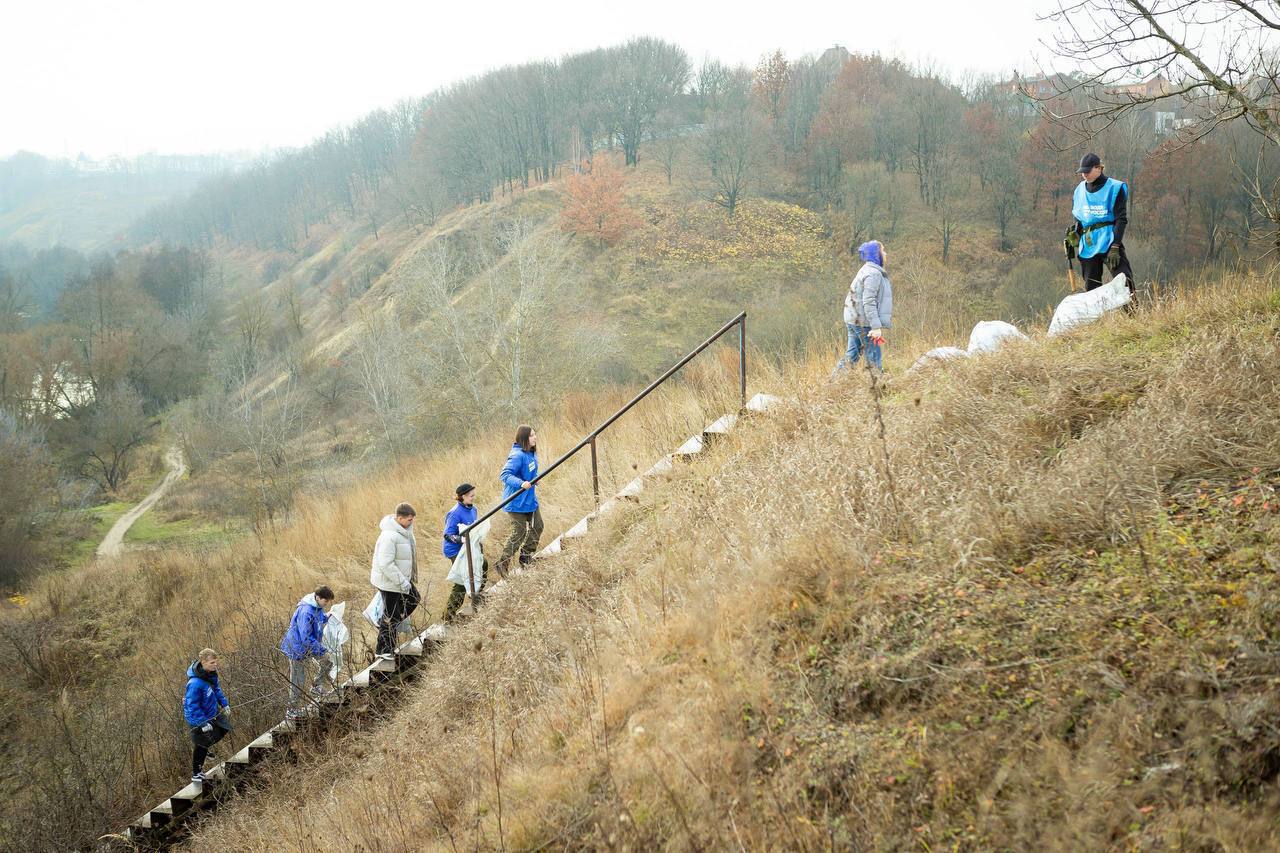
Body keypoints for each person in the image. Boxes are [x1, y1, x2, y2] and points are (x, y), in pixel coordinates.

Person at [1069, 152, 1134, 293]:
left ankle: (1133, 314)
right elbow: (1079, 217)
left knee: (1125, 282)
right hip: (1088, 244)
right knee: (1091, 289)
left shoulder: (1115, 188)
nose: (1085, 175)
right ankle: (1098, 316)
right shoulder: (1079, 190)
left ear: (1099, 168)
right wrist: (1074, 234)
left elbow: (1121, 219)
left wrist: (1116, 246)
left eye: (1088, 171)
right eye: (1082, 172)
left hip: (1109, 241)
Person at [370, 502, 419, 659]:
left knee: (413, 599)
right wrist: (403, 582)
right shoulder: (389, 536)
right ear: (399, 518)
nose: (411, 522)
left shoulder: (404, 533)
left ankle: (384, 622)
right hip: (389, 582)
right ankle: (383, 650)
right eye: (409, 519)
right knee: (392, 615)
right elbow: (386, 564)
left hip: (400, 580)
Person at [280, 585, 336, 720]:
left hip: (309, 645)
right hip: (297, 648)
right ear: (318, 597)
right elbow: (305, 637)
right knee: (298, 680)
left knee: (327, 661)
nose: (326, 604)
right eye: (326, 601)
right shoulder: (306, 611)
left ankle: (316, 686)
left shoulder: (317, 607)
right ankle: (291, 710)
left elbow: (319, 618)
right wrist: (321, 649)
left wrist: (328, 617)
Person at [839, 240, 893, 373]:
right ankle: (878, 388)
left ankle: (834, 383)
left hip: (853, 319)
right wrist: (875, 327)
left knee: (851, 356)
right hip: (863, 322)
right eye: (883, 250)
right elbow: (868, 301)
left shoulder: (866, 269)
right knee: (874, 357)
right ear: (877, 254)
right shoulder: (873, 273)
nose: (885, 253)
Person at [497, 426, 543, 576]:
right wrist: (521, 483)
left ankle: (526, 556)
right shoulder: (517, 455)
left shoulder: (531, 453)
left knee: (538, 526)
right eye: (531, 436)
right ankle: (502, 563)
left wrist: (534, 480)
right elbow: (505, 474)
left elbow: (529, 471)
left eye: (535, 435)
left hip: (529, 500)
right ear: (524, 438)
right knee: (520, 531)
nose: (535, 438)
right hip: (515, 502)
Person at [183, 648, 231, 785]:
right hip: (198, 719)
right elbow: (192, 706)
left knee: (224, 728)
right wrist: (202, 723)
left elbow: (216, 689)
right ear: (203, 662)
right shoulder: (194, 684)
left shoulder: (211, 674)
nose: (215, 665)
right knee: (201, 745)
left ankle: (207, 747)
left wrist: (224, 704)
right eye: (212, 663)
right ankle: (196, 774)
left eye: (216, 662)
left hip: (211, 713)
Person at [442, 483, 483, 622]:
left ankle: (476, 596)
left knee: (484, 565)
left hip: (470, 547)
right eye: (471, 495)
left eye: (473, 495)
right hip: (455, 550)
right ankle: (448, 615)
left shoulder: (474, 509)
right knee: (461, 581)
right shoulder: (454, 513)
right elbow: (447, 535)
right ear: (463, 496)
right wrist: (462, 540)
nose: (473, 497)